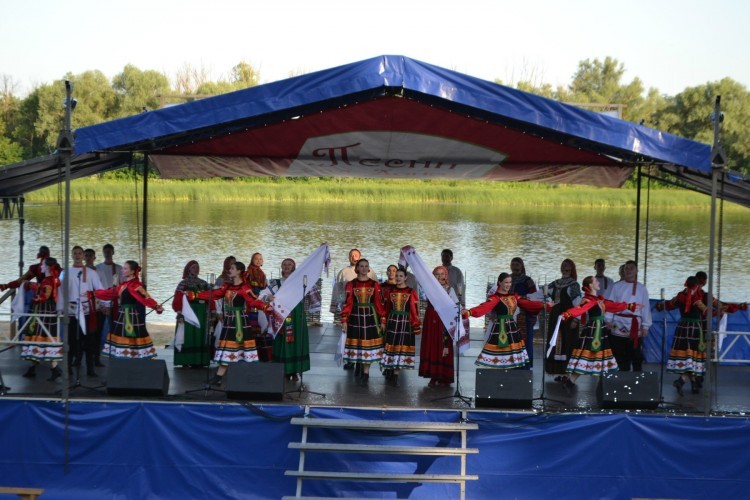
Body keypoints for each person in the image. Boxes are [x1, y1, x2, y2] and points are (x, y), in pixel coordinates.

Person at [188, 261, 273, 386]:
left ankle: (252, 378)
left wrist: (265, 307)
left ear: (239, 271)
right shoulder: (227, 286)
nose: (229, 270)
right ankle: (218, 377)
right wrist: (195, 295)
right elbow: (214, 294)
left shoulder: (244, 287)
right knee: (227, 349)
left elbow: (253, 301)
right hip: (229, 321)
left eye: (232, 268)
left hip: (240, 321)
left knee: (243, 350)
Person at [659, 276, 747, 395]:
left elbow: (668, 305)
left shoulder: (680, 296)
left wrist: (659, 306)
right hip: (695, 328)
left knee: (687, 356)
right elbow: (710, 312)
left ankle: (689, 382)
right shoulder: (697, 299)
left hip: (682, 328)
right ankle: (685, 381)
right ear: (699, 284)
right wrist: (735, 307)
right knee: (694, 356)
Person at [558, 276, 643, 395]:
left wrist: (630, 306)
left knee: (600, 359)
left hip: (600, 331)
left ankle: (593, 386)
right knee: (585, 357)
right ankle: (571, 382)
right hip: (593, 331)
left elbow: (613, 306)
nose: (598, 282)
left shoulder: (598, 300)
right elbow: (579, 309)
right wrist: (566, 314)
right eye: (595, 281)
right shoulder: (587, 300)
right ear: (591, 285)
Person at [464, 272, 548, 369]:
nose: (508, 285)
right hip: (500, 328)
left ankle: (511, 375)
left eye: (510, 282)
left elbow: (527, 303)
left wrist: (544, 305)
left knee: (513, 353)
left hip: (512, 328)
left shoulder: (513, 297)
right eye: (506, 282)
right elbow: (484, 307)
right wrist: (469, 312)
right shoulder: (496, 298)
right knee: (500, 352)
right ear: (499, 283)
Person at [95, 260, 164, 360]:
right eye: (123, 268)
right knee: (123, 334)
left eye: (125, 268)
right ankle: (124, 356)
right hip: (122, 314)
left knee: (133, 335)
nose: (122, 270)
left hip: (131, 315)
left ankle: (133, 356)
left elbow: (146, 298)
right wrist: (93, 294)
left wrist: (156, 306)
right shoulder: (122, 286)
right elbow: (109, 293)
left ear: (132, 272)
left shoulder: (136, 286)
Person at [59, 245, 104, 377]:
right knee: (71, 341)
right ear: (71, 255)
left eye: (80, 253)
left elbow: (99, 289)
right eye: (75, 253)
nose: (78, 256)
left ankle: (90, 369)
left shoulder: (91, 273)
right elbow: (61, 292)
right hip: (72, 311)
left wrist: (105, 303)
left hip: (87, 311)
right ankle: (68, 368)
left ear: (83, 256)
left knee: (90, 341)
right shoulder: (65, 272)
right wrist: (61, 308)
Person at [340, 258, 386, 386]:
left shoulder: (374, 284)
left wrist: (382, 319)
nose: (364, 268)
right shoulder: (351, 284)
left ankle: (366, 373)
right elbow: (348, 303)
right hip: (355, 316)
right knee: (358, 343)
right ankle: (359, 366)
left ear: (369, 268)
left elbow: (378, 303)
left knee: (367, 345)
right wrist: (344, 319)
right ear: (357, 268)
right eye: (362, 266)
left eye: (366, 266)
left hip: (370, 317)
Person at [19, 257, 64, 381]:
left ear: (48, 267)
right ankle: (35, 367)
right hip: (43, 310)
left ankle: (54, 368)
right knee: (38, 336)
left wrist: (33, 289)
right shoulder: (51, 279)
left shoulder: (48, 281)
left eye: (43, 265)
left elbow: (44, 296)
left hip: (45, 310)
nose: (41, 267)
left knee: (45, 337)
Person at [267, 258, 311, 381]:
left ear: (293, 267)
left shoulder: (299, 282)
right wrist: (268, 297)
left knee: (297, 340)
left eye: (289, 265)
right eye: (284, 264)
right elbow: (262, 295)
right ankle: (283, 369)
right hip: (281, 314)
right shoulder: (275, 282)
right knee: (282, 340)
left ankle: (294, 370)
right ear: (281, 267)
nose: (287, 267)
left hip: (297, 314)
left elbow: (311, 293)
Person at [605, 260, 652, 372]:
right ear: (623, 270)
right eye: (626, 268)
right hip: (618, 323)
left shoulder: (641, 288)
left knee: (636, 354)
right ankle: (621, 379)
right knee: (619, 354)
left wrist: (646, 326)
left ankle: (637, 379)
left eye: (631, 268)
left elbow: (645, 308)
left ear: (636, 271)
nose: (628, 270)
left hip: (635, 325)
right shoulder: (616, 286)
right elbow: (611, 305)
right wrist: (608, 320)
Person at [380, 268, 421, 387]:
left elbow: (414, 311)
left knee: (400, 347)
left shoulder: (411, 292)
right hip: (392, 322)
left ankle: (396, 376)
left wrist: (415, 324)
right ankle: (390, 370)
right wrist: (384, 321)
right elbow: (387, 308)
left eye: (401, 276)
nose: (398, 278)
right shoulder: (391, 291)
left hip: (405, 323)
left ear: (406, 278)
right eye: (397, 276)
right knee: (391, 346)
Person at [418, 266, 457, 387]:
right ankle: (433, 376)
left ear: (446, 276)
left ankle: (443, 377)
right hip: (431, 320)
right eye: (436, 274)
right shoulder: (428, 289)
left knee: (443, 346)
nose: (440, 277)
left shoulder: (450, 290)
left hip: (444, 321)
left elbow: (455, 306)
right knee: (432, 345)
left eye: (442, 274)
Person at [544, 259, 581, 375]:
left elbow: (579, 304)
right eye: (563, 265)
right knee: (555, 340)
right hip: (555, 316)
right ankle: (555, 369)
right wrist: (549, 300)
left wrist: (576, 319)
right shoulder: (555, 283)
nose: (565, 268)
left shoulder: (574, 285)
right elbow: (545, 292)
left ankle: (567, 369)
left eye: (567, 266)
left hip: (568, 317)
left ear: (571, 269)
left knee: (567, 341)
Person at [172, 260, 211, 367]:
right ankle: (185, 360)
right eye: (194, 267)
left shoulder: (204, 283)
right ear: (188, 269)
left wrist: (212, 311)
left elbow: (210, 298)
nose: (196, 270)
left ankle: (199, 361)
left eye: (198, 267)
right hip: (188, 311)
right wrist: (179, 313)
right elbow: (177, 299)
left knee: (200, 335)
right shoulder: (183, 284)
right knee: (188, 335)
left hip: (202, 312)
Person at [94, 243, 122, 366]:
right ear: (103, 252)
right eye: (105, 251)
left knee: (115, 330)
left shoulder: (119, 269)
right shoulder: (97, 268)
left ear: (113, 252)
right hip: (100, 304)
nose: (107, 254)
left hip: (114, 304)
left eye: (109, 251)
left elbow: (122, 288)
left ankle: (115, 353)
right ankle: (97, 357)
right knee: (98, 330)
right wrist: (101, 305)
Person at [510, 257, 538, 366]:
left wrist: (521, 298)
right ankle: (511, 362)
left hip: (524, 314)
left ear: (521, 266)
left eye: (517, 264)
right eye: (513, 264)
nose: (515, 267)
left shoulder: (528, 280)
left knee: (525, 339)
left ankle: (525, 364)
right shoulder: (507, 279)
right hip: (510, 314)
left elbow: (535, 297)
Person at [245, 253, 272, 361]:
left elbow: (265, 288)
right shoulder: (247, 274)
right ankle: (250, 354)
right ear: (252, 260)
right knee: (252, 329)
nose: (258, 260)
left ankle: (261, 354)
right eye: (256, 259)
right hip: (250, 304)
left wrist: (263, 297)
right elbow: (245, 288)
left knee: (262, 328)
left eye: (260, 259)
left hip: (260, 303)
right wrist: (254, 296)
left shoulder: (262, 274)